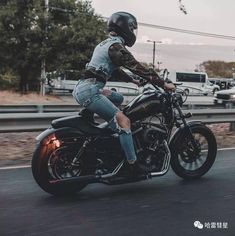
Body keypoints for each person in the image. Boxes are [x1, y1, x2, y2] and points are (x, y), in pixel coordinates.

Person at [73, 11, 175, 167]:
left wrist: (133, 81)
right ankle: (132, 163)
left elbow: (115, 70)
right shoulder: (116, 47)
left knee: (118, 98)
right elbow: (138, 67)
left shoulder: (105, 44)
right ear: (126, 28)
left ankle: (114, 130)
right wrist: (163, 84)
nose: (133, 32)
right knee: (124, 121)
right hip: (91, 91)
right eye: (132, 29)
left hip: (84, 87)